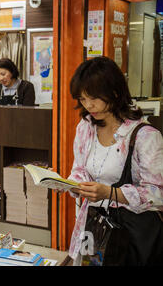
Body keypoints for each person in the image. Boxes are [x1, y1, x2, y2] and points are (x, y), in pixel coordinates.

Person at [63, 56, 163, 265]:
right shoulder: (86, 127)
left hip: (129, 234)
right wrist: (72, 184)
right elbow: (80, 168)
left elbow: (157, 194)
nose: (89, 105)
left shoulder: (144, 136)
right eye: (82, 99)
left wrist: (110, 193)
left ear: (115, 92)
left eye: (94, 98)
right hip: (93, 225)